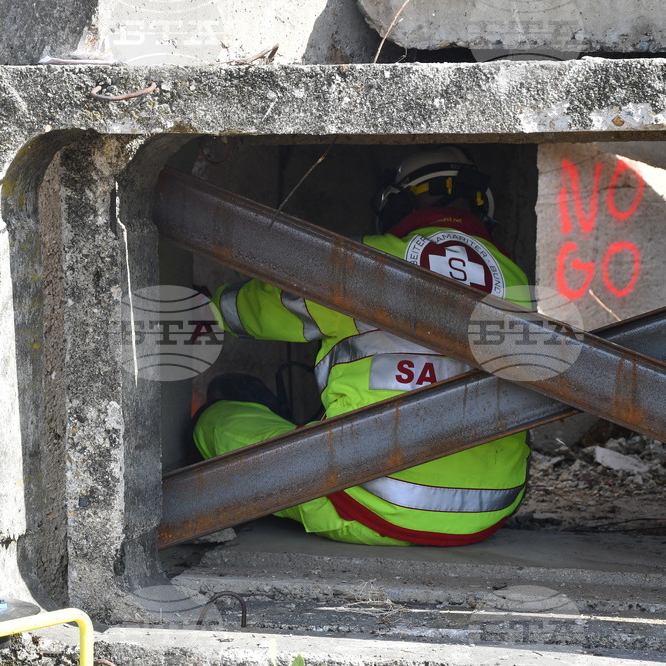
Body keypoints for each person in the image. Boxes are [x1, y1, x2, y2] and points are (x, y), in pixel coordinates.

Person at [194, 146, 531, 546]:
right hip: (485, 513)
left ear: (394, 203)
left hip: (363, 504)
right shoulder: (517, 281)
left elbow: (264, 306)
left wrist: (207, 310)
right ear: (484, 206)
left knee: (217, 422)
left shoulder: (365, 261)